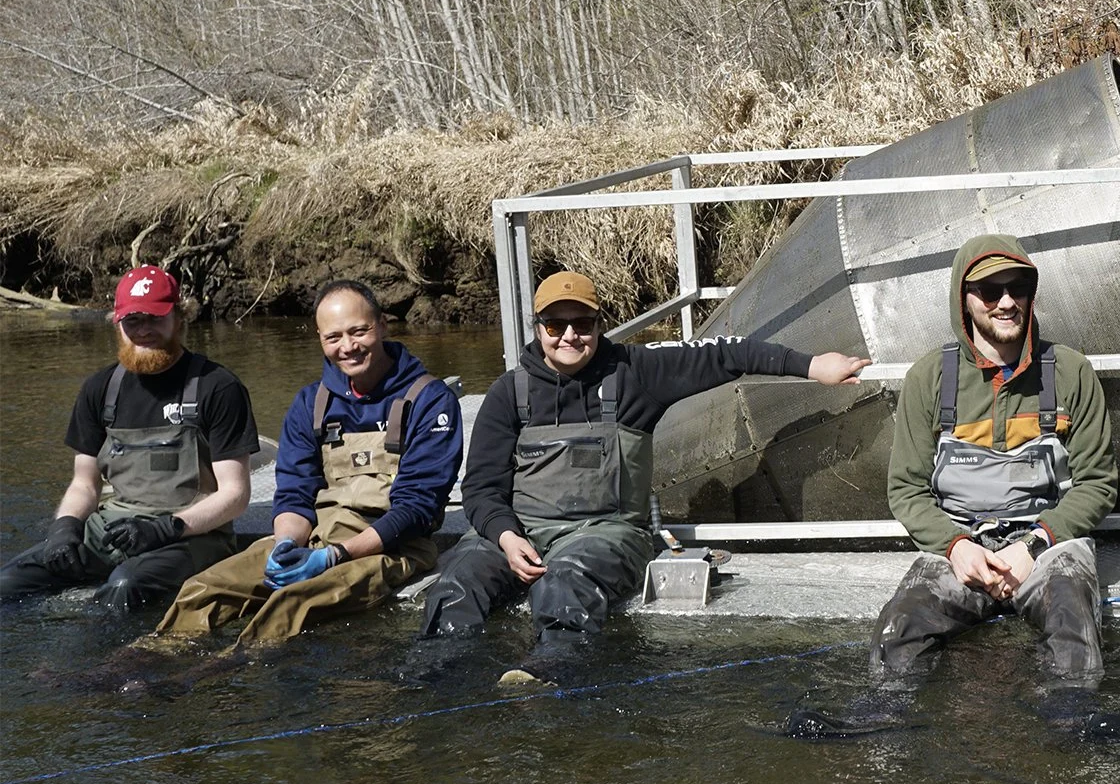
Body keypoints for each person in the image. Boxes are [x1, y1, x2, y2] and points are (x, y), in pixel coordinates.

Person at [416, 271, 869, 674]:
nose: (570, 336)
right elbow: (479, 489)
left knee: (564, 579)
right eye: (556, 325)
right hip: (519, 532)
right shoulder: (507, 392)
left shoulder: (636, 371)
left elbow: (728, 354)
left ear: (600, 325)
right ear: (538, 329)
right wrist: (505, 537)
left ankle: (552, 675)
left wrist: (813, 366)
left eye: (584, 324)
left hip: (605, 534)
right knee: (457, 580)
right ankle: (444, 672)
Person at [787, 233, 1119, 738]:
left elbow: (1097, 484)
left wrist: (1034, 545)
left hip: (1046, 545)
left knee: (1073, 608)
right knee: (904, 617)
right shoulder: (930, 378)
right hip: (961, 545)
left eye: (1018, 287)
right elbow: (906, 490)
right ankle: (883, 709)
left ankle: (1073, 710)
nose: (1006, 302)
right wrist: (956, 546)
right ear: (963, 300)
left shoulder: (1071, 371)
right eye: (989, 291)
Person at [156, 279, 462, 644]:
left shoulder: (430, 400)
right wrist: (286, 544)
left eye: (359, 331)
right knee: (203, 589)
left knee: (289, 604)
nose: (347, 347)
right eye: (333, 337)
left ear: (381, 325)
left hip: (392, 546)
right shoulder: (310, 403)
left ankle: (226, 675)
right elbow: (295, 493)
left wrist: (336, 557)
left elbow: (417, 507)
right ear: (319, 338)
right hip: (315, 537)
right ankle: (147, 661)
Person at [0, 266, 257, 610]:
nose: (144, 330)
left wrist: (167, 529)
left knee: (125, 585)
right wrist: (65, 529)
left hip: (193, 533)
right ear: (117, 324)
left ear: (179, 317)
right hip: (114, 526)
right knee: (8, 583)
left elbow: (235, 495)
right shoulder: (100, 389)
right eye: (133, 321)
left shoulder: (218, 387)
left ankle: (107, 663)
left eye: (155, 318)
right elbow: (84, 483)